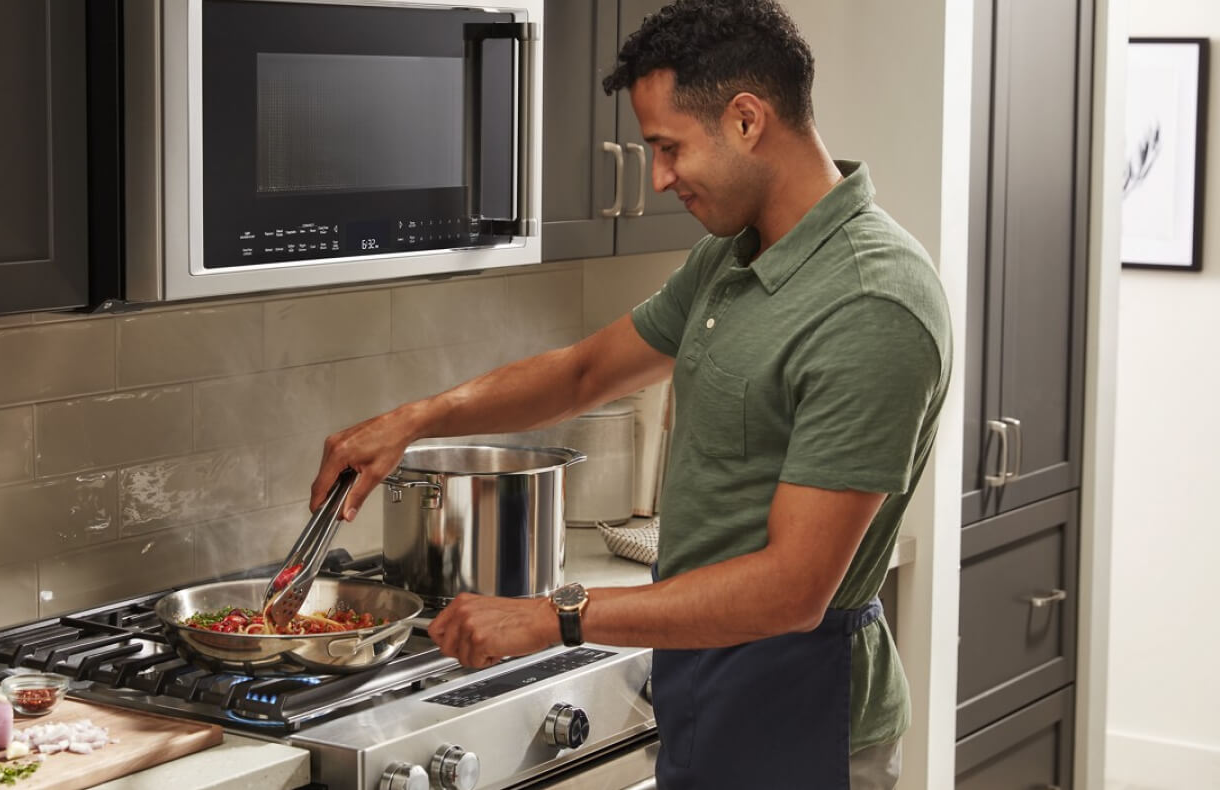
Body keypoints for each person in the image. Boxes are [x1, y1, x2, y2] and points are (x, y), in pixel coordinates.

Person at [308, 1, 951, 787]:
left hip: (806, 713)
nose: (657, 177)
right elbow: (583, 373)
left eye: (669, 147)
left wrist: (556, 616)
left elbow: (793, 589)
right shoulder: (732, 258)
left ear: (747, 120)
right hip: (708, 687)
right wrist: (414, 421)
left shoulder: (871, 303)